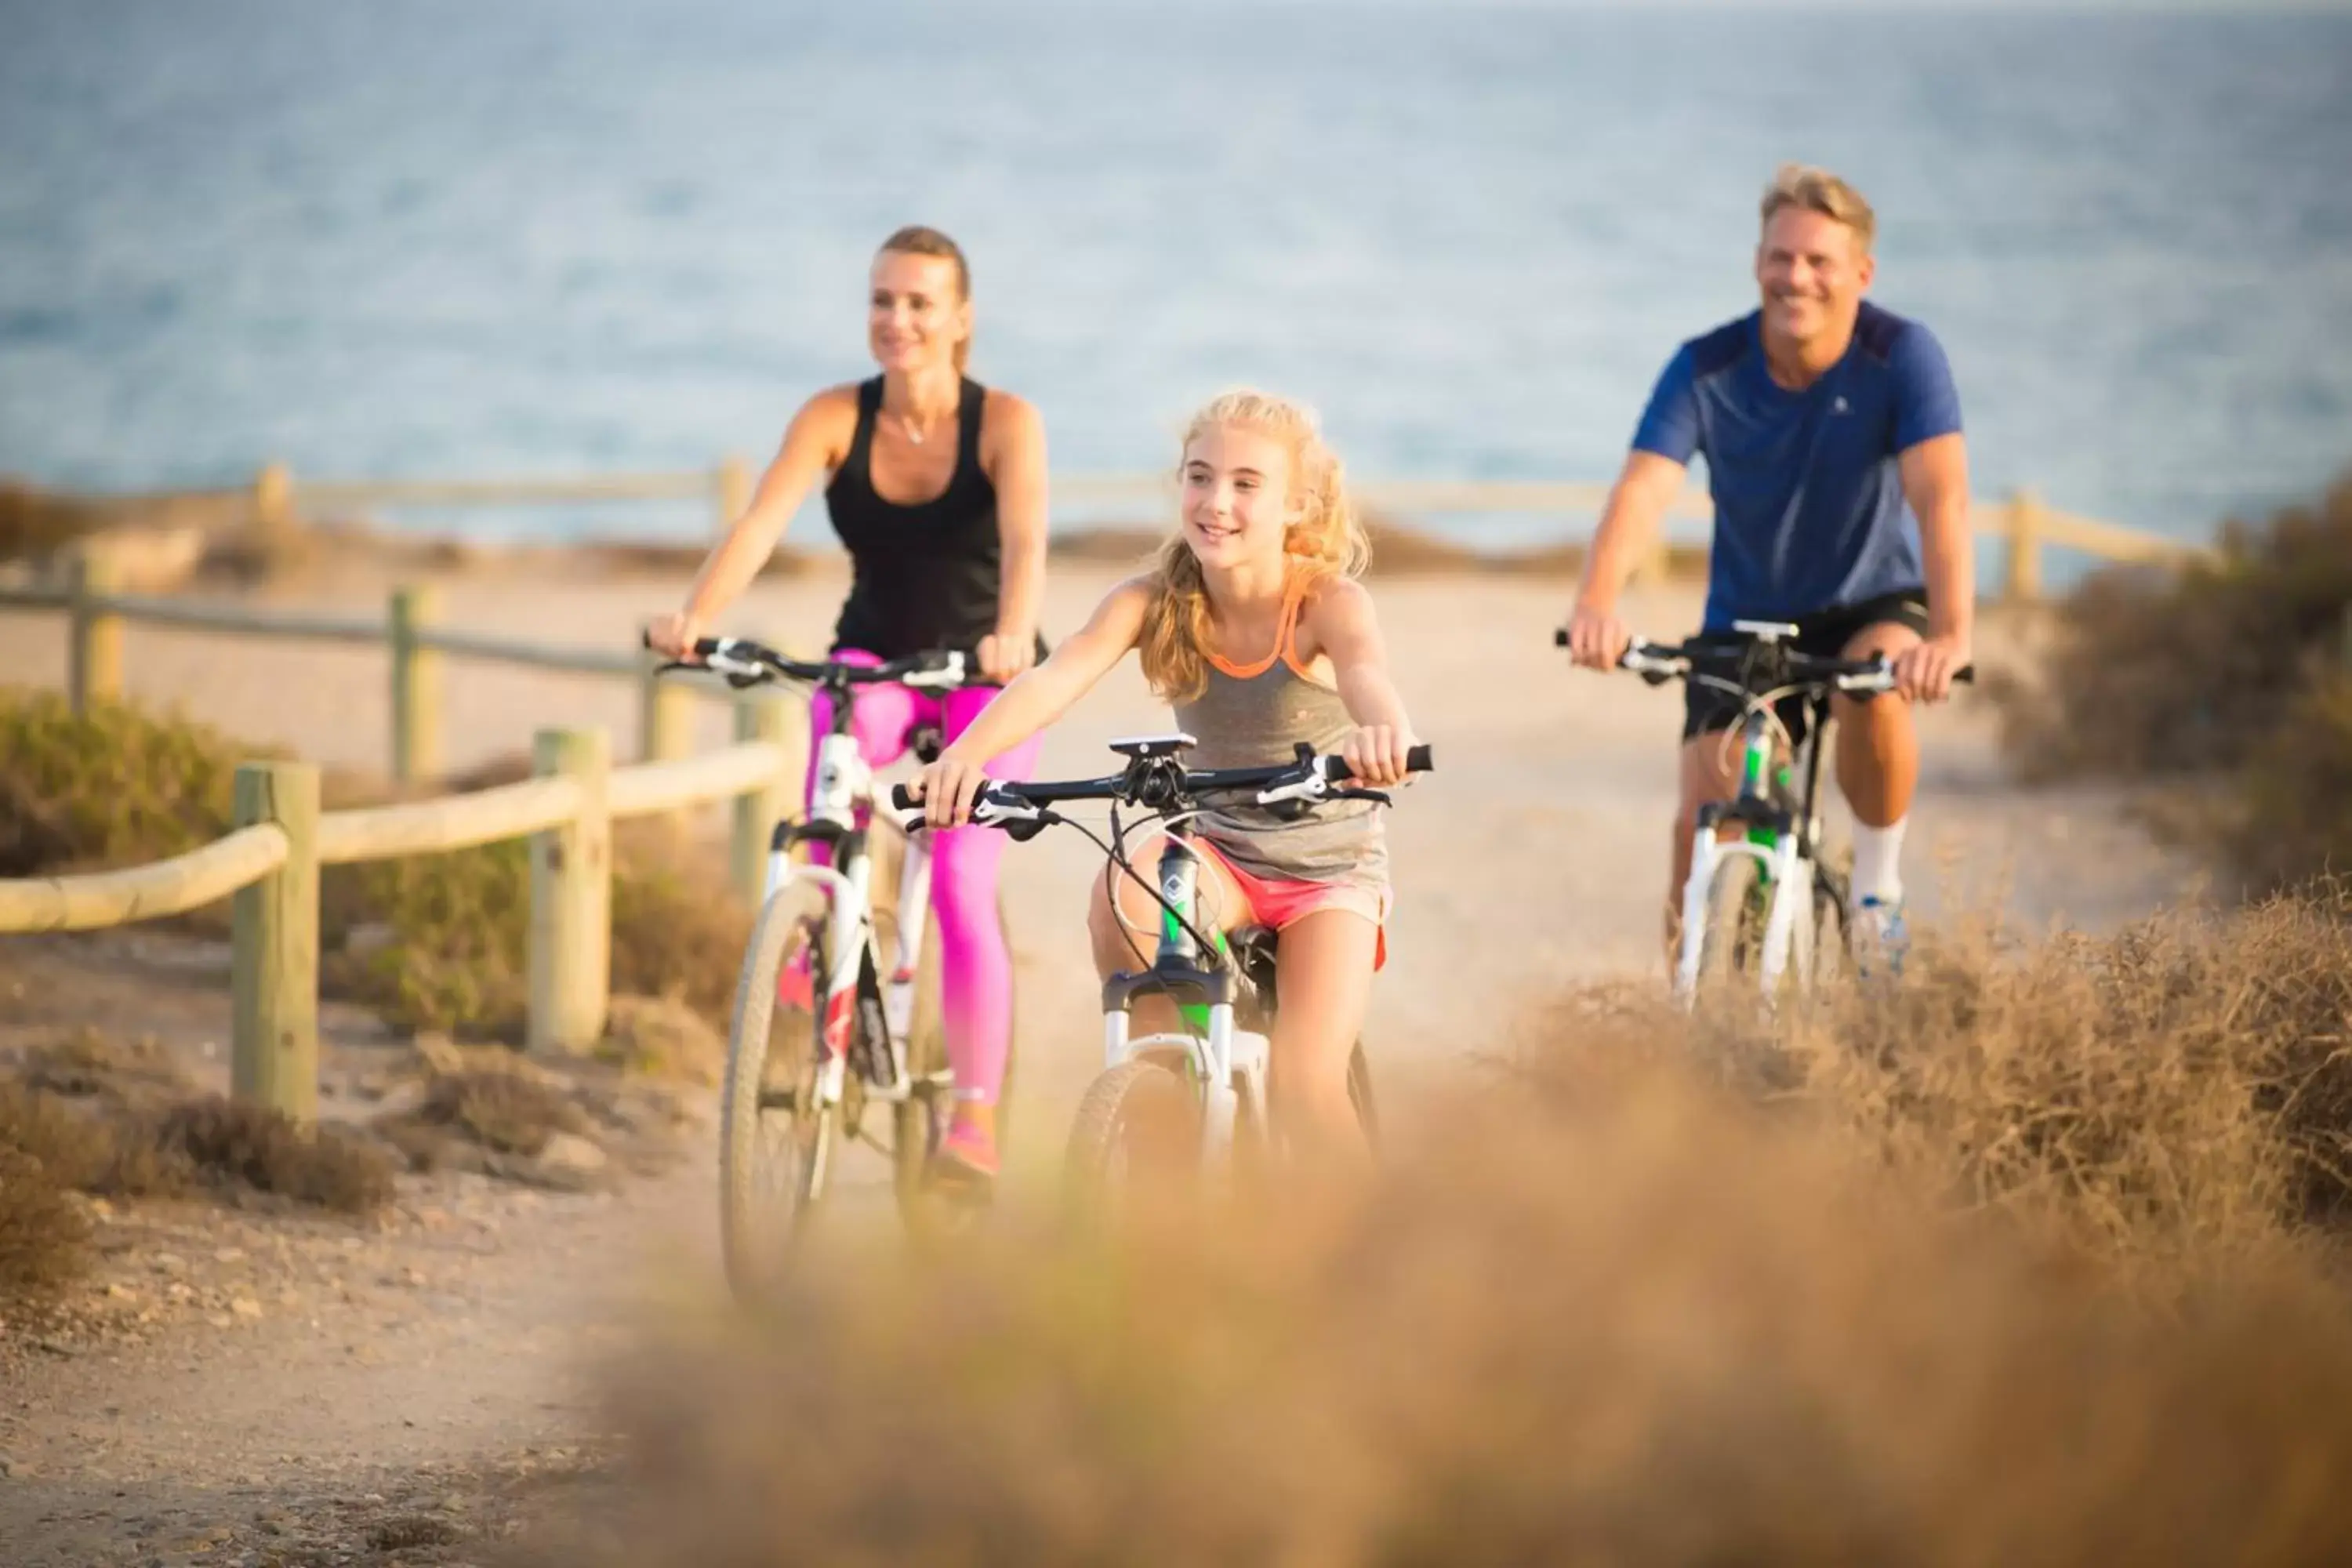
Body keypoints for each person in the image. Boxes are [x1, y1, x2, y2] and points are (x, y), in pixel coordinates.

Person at [908, 389, 1420, 1167]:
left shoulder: (1326, 602)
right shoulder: (1154, 599)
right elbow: (1054, 677)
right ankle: (1163, 1113)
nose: (1217, 502)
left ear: (1296, 505)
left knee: (1303, 1081)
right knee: (1127, 885)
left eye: (1247, 484)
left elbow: (1366, 674)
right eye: (1200, 476)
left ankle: (1374, 1260)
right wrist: (963, 757)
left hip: (1329, 875)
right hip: (1219, 857)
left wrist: (1388, 733)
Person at [644, 224, 1047, 1189]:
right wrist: (698, 616)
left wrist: (1010, 635)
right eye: (882, 300)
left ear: (960, 319)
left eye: (918, 302)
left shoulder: (1005, 422)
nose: (897, 319)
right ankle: (813, 946)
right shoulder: (835, 414)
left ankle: (974, 1121)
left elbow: (1028, 542)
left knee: (957, 883)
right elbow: (761, 521)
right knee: (829, 783)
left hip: (984, 680)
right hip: (875, 657)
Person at [1564, 164, 1973, 971]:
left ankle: (1876, 895)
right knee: (1700, 827)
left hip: (1871, 601)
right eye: (1781, 256)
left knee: (1879, 686)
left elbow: (1941, 498)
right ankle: (1693, 1027)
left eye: (1820, 261)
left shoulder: (1902, 355)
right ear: (1758, 262)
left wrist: (1954, 632)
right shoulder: (1706, 365)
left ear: (1861, 272)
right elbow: (1644, 489)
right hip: (1746, 617)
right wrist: (1596, 604)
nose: (1797, 277)